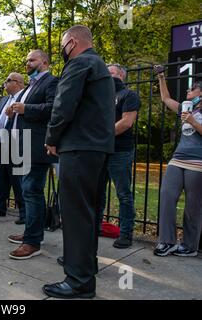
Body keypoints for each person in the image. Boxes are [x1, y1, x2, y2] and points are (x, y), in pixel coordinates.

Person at [44, 25, 115, 299]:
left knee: (74, 215)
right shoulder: (100, 67)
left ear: (71, 42)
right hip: (97, 149)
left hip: (79, 148)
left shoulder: (79, 63)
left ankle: (78, 282)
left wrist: (52, 137)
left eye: (63, 45)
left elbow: (63, 105)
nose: (62, 50)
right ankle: (85, 267)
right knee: (88, 214)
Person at [6, 50, 59, 260]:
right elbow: (23, 112)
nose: (27, 62)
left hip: (37, 146)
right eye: (26, 59)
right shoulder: (31, 85)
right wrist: (13, 112)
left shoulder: (52, 81)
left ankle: (33, 242)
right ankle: (32, 233)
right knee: (30, 191)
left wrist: (25, 107)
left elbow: (54, 107)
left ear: (44, 62)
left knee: (31, 190)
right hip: (24, 145)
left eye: (31, 59)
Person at [153, 68, 202, 258]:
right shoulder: (186, 107)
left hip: (198, 162)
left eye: (191, 90)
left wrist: (192, 120)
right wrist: (161, 76)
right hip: (178, 158)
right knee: (166, 195)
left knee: (193, 205)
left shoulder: (191, 113)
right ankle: (167, 241)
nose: (187, 92)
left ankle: (190, 245)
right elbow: (166, 99)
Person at [97, 63, 140, 249]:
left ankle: (125, 233)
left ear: (121, 75)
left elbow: (126, 122)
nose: (107, 74)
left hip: (120, 150)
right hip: (100, 151)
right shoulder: (100, 96)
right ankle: (96, 226)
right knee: (97, 192)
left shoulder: (129, 95)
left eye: (111, 72)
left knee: (123, 193)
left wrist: (100, 137)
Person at [0, 72, 26, 225]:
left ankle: (23, 212)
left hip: (16, 143)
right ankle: (0, 207)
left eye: (8, 80)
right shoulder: (4, 99)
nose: (5, 83)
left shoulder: (24, 98)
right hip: (0, 143)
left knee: (17, 178)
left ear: (19, 83)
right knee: (1, 178)